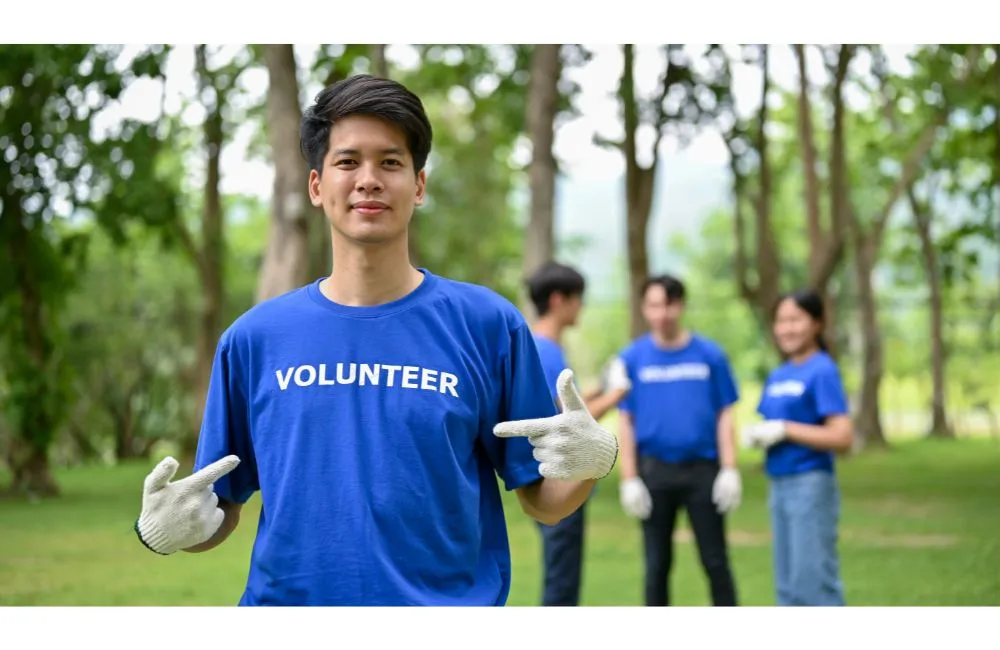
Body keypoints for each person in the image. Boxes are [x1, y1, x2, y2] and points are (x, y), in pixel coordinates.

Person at [131, 74, 620, 607]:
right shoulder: (254, 340)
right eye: (347, 162)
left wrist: (597, 459)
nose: (369, 180)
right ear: (317, 186)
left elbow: (543, 501)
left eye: (390, 162)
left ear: (419, 184)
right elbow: (219, 511)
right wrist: (171, 529)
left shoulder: (487, 326)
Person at [608, 274, 742, 607]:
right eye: (654, 305)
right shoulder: (632, 358)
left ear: (680, 305)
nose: (662, 313)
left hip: (703, 471)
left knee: (715, 561)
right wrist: (629, 478)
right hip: (654, 472)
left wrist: (729, 468)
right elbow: (626, 419)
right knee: (657, 565)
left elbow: (725, 412)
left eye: (669, 304)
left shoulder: (710, 355)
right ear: (644, 308)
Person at [525, 261, 630, 606]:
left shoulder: (542, 347)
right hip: (558, 481)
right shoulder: (544, 350)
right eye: (578, 299)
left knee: (563, 577)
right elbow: (565, 423)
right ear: (558, 300)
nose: (581, 306)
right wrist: (615, 396)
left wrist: (601, 387)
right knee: (562, 582)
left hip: (559, 477)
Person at [742, 289, 853, 607]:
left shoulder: (822, 370)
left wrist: (787, 429)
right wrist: (760, 434)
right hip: (778, 484)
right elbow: (772, 422)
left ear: (817, 323)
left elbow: (842, 437)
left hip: (811, 484)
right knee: (788, 589)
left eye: (795, 319)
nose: (786, 328)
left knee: (813, 584)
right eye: (781, 321)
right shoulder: (779, 374)